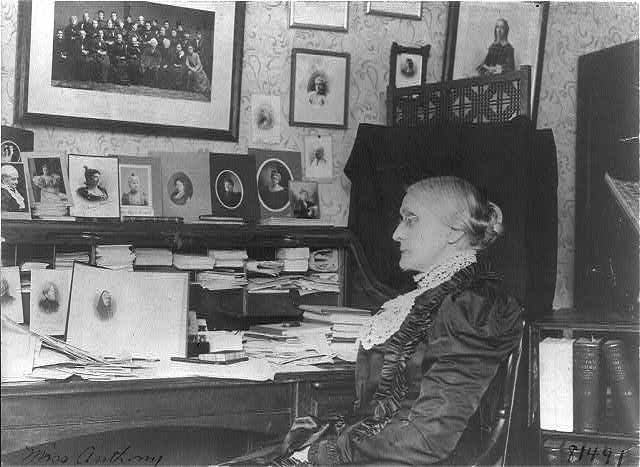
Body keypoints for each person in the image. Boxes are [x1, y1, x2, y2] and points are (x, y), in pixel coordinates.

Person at [272, 176, 522, 465]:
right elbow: (385, 413)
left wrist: (328, 452)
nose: (396, 233)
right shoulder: (429, 297)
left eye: (411, 220)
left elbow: (429, 438)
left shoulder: (472, 306)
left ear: (453, 232)